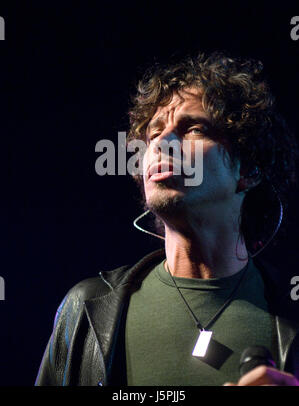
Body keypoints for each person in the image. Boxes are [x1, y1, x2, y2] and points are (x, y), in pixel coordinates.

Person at [35, 51, 299, 386]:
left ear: (247, 168)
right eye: (154, 131)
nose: (161, 142)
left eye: (193, 128)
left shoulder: (289, 313)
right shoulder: (87, 309)